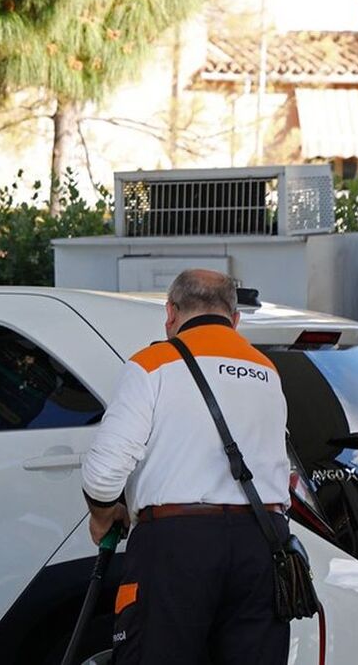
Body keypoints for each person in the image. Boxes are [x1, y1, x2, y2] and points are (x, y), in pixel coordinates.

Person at [81, 269, 291, 664]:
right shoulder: (267, 370)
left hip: (177, 547)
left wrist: (103, 516)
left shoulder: (152, 363)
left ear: (171, 313)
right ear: (235, 318)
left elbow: (104, 472)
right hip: (263, 545)